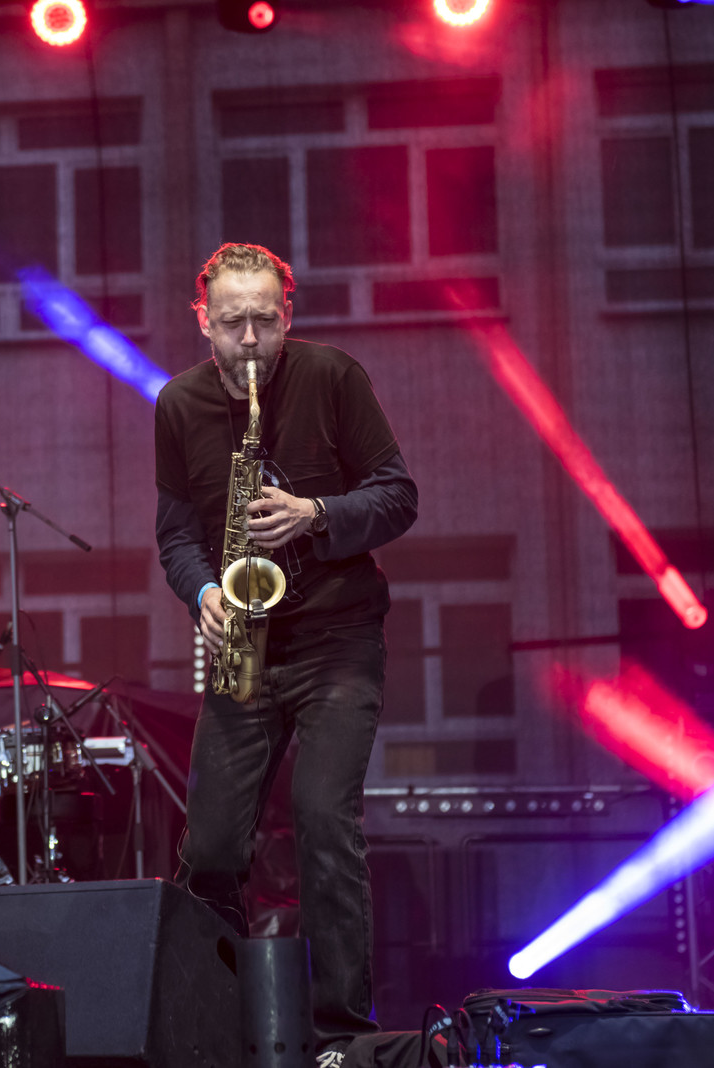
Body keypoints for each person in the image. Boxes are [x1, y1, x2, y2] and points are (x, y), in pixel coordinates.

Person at [154, 243, 418, 1067]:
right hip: (245, 646)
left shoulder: (333, 376)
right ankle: (218, 1025)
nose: (250, 341)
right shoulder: (178, 405)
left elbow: (398, 495)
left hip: (338, 638)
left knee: (322, 820)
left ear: (287, 315)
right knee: (210, 850)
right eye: (232, 323)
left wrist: (314, 513)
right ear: (203, 321)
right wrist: (204, 593)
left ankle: (341, 1034)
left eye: (265, 322)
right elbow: (176, 535)